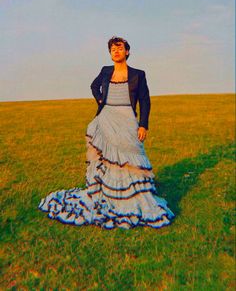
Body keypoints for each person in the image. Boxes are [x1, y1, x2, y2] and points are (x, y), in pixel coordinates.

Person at [38, 36, 175, 229]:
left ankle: (134, 198)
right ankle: (107, 193)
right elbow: (94, 86)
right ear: (110, 53)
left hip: (127, 118)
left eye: (119, 48)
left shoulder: (138, 74)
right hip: (106, 117)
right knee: (106, 158)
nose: (116, 51)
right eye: (112, 49)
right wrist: (101, 100)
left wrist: (143, 124)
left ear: (127, 51)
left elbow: (145, 100)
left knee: (131, 156)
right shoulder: (105, 71)